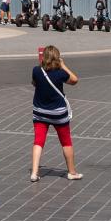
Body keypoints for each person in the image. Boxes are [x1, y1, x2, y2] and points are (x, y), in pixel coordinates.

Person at [30, 45, 81, 182]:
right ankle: (71, 172)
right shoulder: (60, 73)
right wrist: (64, 66)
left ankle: (34, 172)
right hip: (58, 113)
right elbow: (75, 80)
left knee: (38, 141)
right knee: (66, 142)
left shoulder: (36, 70)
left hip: (40, 112)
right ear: (57, 58)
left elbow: (34, 83)